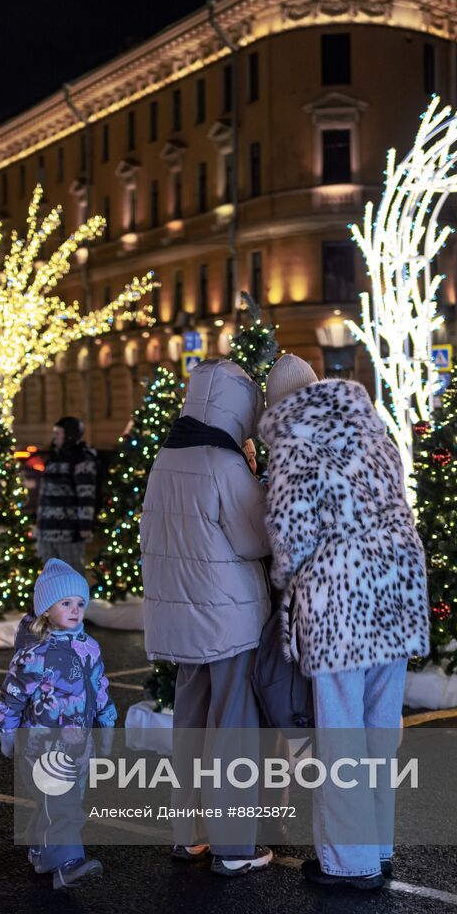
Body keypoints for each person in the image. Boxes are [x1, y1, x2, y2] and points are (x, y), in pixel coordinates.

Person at [258, 353, 430, 891]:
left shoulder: (294, 442)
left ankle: (349, 862)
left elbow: (288, 532)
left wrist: (288, 578)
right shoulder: (371, 429)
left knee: (339, 735)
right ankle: (377, 847)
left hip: (339, 602)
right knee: (381, 730)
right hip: (397, 589)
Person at [139, 358, 274, 876]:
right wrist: (257, 480)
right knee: (233, 731)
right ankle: (235, 846)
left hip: (179, 619)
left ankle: (188, 834)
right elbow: (254, 538)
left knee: (190, 726)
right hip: (228, 619)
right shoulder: (223, 463)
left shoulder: (166, 457)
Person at [0, 559, 116, 891]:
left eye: (80, 603)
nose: (75, 610)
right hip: (43, 746)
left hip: (78, 744)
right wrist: (7, 733)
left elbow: (98, 687)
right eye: (66, 603)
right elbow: (12, 695)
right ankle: (66, 864)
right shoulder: (35, 654)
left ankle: (40, 848)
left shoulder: (89, 648)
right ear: (47, 610)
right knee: (61, 803)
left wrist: (106, 723)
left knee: (64, 800)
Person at [35, 416, 98, 573]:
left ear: (70, 435)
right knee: (49, 577)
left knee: (71, 575)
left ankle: (78, 598)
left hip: (68, 533)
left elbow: (86, 495)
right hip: (46, 532)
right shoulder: (53, 458)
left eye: (59, 433)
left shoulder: (81, 460)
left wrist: (85, 526)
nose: (55, 436)